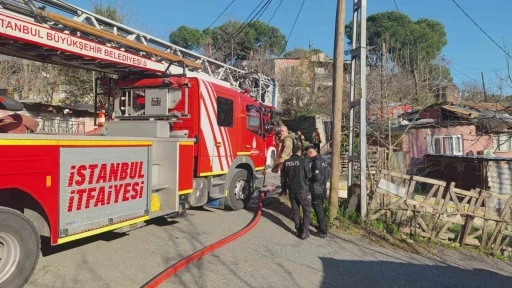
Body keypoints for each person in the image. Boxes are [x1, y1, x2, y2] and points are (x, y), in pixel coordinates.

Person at [281, 145, 312, 239]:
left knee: (295, 210)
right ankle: (305, 231)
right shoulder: (304, 161)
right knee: (306, 209)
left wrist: (283, 189)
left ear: (292, 152)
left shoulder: (286, 162)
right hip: (302, 190)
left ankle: (298, 229)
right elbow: (309, 175)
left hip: (291, 190)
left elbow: (283, 178)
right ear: (300, 152)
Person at [306, 145, 330, 238]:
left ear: (311, 153)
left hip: (317, 189)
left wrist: (310, 180)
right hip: (323, 188)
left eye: (308, 154)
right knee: (320, 209)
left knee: (318, 210)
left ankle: (323, 231)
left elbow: (316, 176)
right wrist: (324, 181)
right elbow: (329, 172)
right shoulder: (323, 160)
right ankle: (321, 226)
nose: (307, 156)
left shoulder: (315, 162)